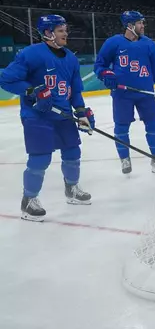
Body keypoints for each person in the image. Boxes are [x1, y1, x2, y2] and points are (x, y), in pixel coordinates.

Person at [0, 14, 94, 221]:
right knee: (40, 158)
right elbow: (5, 80)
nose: (65, 34)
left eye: (65, 30)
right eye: (61, 31)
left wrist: (81, 112)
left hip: (63, 115)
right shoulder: (31, 54)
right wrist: (32, 91)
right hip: (37, 116)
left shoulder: (70, 57)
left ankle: (72, 189)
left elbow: (75, 90)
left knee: (72, 153)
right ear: (48, 33)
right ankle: (29, 200)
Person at [94, 11, 155, 174]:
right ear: (130, 25)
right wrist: (106, 74)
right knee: (121, 127)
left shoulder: (149, 44)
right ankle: (124, 158)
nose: (143, 26)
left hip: (146, 94)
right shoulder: (113, 43)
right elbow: (99, 66)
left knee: (153, 126)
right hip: (122, 94)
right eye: (140, 23)